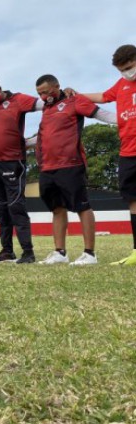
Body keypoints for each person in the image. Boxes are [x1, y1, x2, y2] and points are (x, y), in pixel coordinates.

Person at [31, 74, 116, 265]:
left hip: (71, 165)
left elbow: (101, 114)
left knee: (82, 207)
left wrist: (126, 119)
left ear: (56, 87)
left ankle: (90, 254)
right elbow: (41, 138)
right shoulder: (46, 108)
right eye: (39, 93)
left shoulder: (73, 100)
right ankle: (60, 252)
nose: (43, 96)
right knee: (57, 209)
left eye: (45, 92)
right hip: (47, 168)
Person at [66, 44, 136, 265]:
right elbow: (104, 96)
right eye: (122, 69)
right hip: (127, 152)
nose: (127, 72)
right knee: (133, 201)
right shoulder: (122, 84)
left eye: (130, 67)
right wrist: (77, 94)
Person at [0, 76, 39, 264]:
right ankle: (7, 250)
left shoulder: (18, 100)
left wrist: (34, 140)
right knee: (0, 208)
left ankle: (28, 252)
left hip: (13, 162)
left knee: (16, 207)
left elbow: (46, 105)